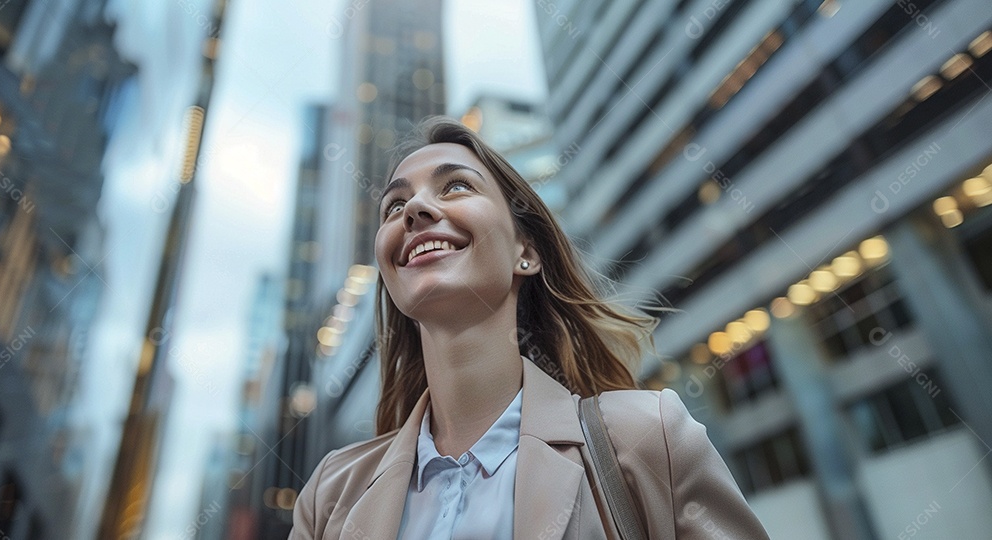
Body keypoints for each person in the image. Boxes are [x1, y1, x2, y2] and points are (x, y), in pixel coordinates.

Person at [289, 116, 770, 539]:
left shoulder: (648, 437)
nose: (413, 210)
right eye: (394, 206)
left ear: (527, 252)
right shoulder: (331, 495)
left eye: (456, 185)